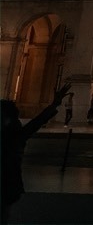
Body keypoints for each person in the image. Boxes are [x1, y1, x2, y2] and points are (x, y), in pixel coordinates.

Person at [2, 82, 71, 223]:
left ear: (7, 120)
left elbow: (36, 122)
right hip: (9, 185)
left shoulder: (13, 137)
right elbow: (36, 123)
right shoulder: (16, 136)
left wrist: (54, 105)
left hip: (6, 184)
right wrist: (54, 105)